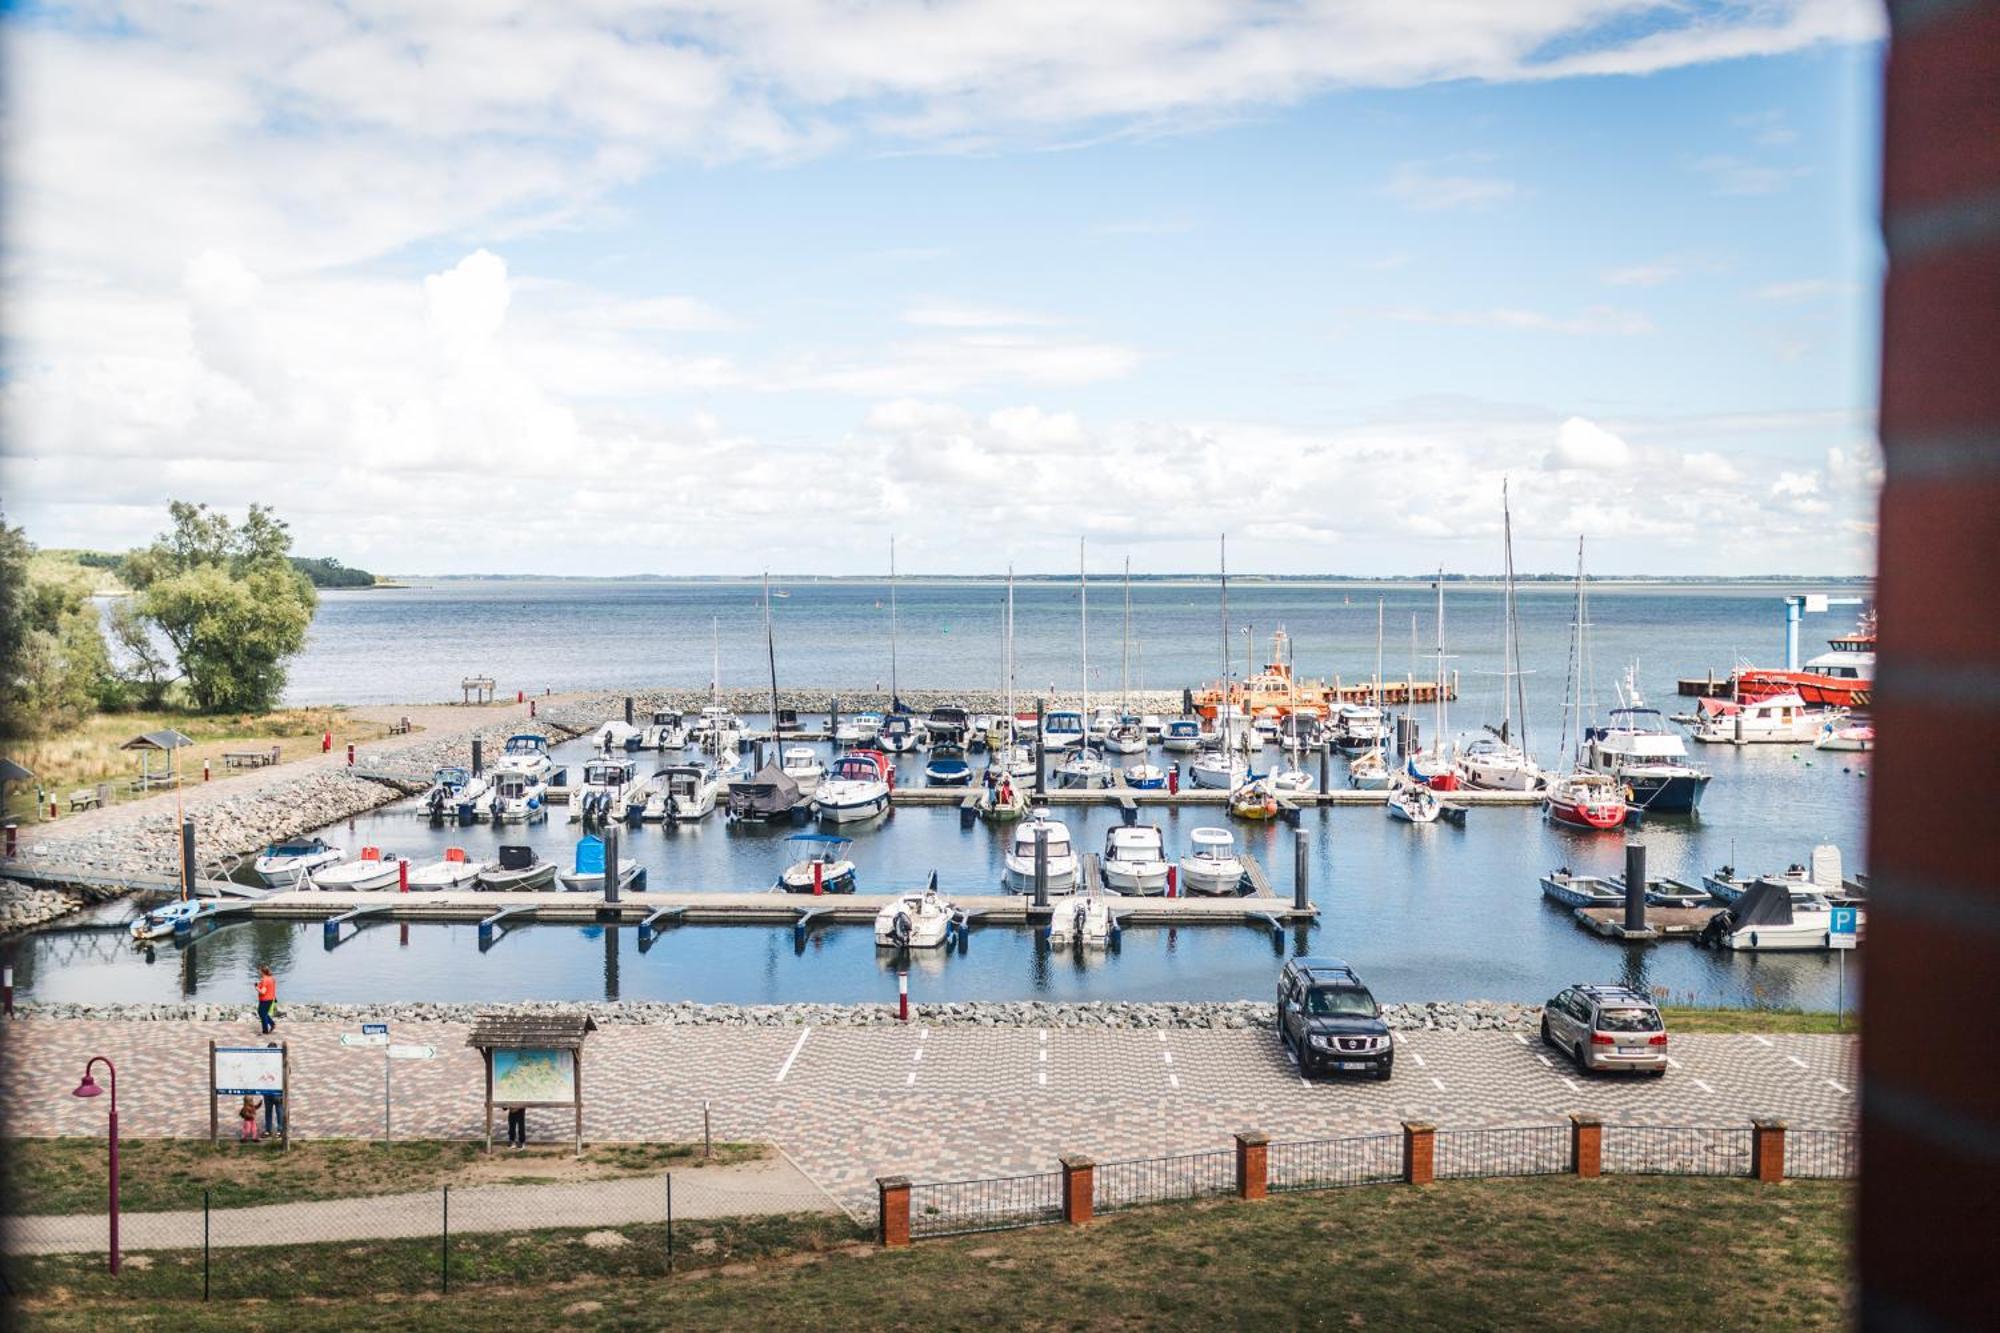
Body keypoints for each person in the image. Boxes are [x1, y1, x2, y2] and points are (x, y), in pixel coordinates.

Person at [261, 1041, 285, 1137]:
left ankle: (268, 1129)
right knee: (279, 1110)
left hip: (268, 1090)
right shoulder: (281, 1060)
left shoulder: (265, 1062)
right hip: (277, 1090)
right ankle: (280, 1130)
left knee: (269, 1110)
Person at [256, 966, 277, 1033]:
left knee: (263, 1014)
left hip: (265, 999)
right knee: (262, 1012)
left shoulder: (265, 980)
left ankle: (265, 1030)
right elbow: (270, 987)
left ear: (262, 972)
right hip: (270, 998)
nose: (258, 972)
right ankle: (272, 1024)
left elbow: (263, 992)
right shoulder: (271, 978)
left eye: (259, 971)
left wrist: (256, 988)